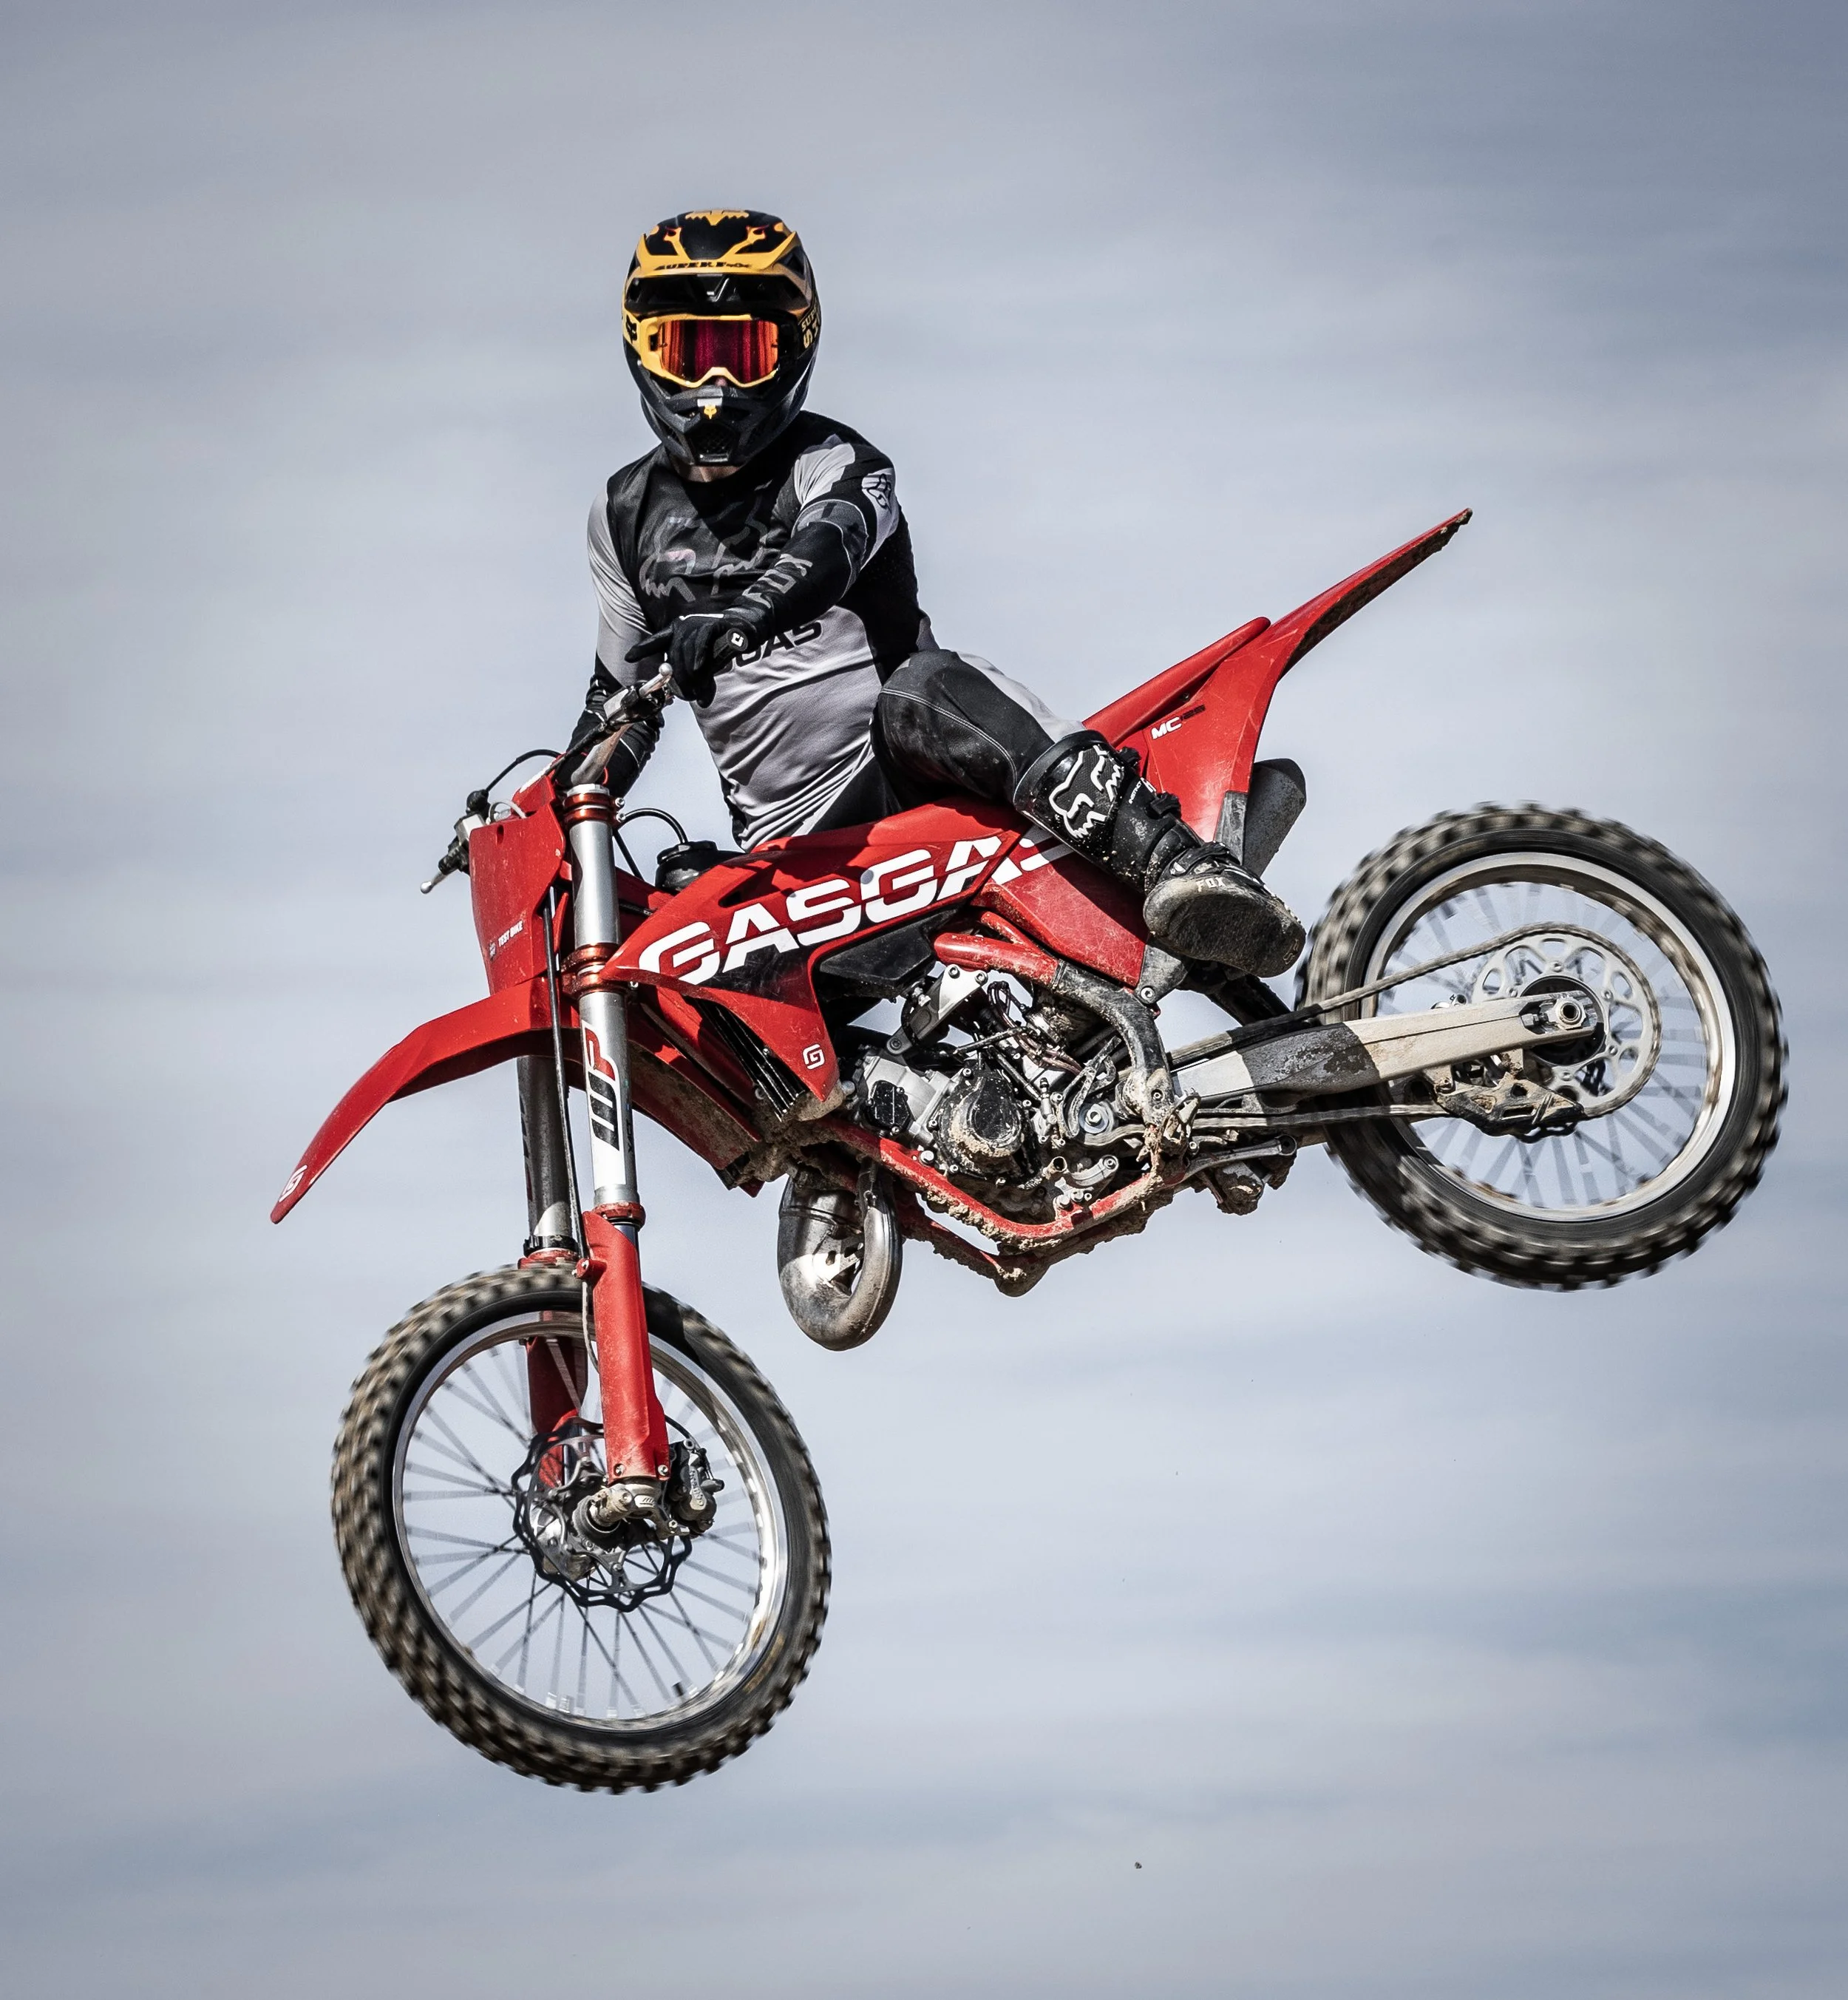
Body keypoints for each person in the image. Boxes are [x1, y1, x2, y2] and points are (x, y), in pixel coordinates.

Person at [564, 208, 1302, 975]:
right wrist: (543, 811)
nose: (715, 384)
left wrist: (747, 614)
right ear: (643, 350)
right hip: (787, 862)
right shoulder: (619, 515)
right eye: (689, 352)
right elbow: (616, 706)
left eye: (742, 354)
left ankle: (1177, 861)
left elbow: (830, 546)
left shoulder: (841, 462)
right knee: (666, 913)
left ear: (793, 347)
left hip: (904, 789)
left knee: (923, 686)